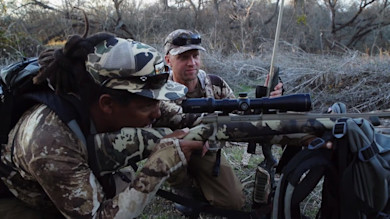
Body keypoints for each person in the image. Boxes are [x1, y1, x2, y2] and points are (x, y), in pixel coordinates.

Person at [0, 32, 205, 218]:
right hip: (22, 199)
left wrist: (213, 128)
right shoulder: (49, 141)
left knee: (120, 182)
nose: (157, 112)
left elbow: (177, 116)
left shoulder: (103, 92)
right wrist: (160, 165)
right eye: (148, 105)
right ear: (107, 104)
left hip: (61, 172)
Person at [161, 29, 284, 210]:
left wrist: (266, 101)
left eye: (195, 56)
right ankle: (181, 187)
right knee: (173, 145)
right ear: (168, 60)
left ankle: (200, 184)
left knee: (234, 203)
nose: (192, 63)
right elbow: (176, 117)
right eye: (183, 58)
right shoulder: (159, 89)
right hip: (175, 152)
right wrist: (204, 130)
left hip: (206, 152)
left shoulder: (214, 83)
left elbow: (240, 114)